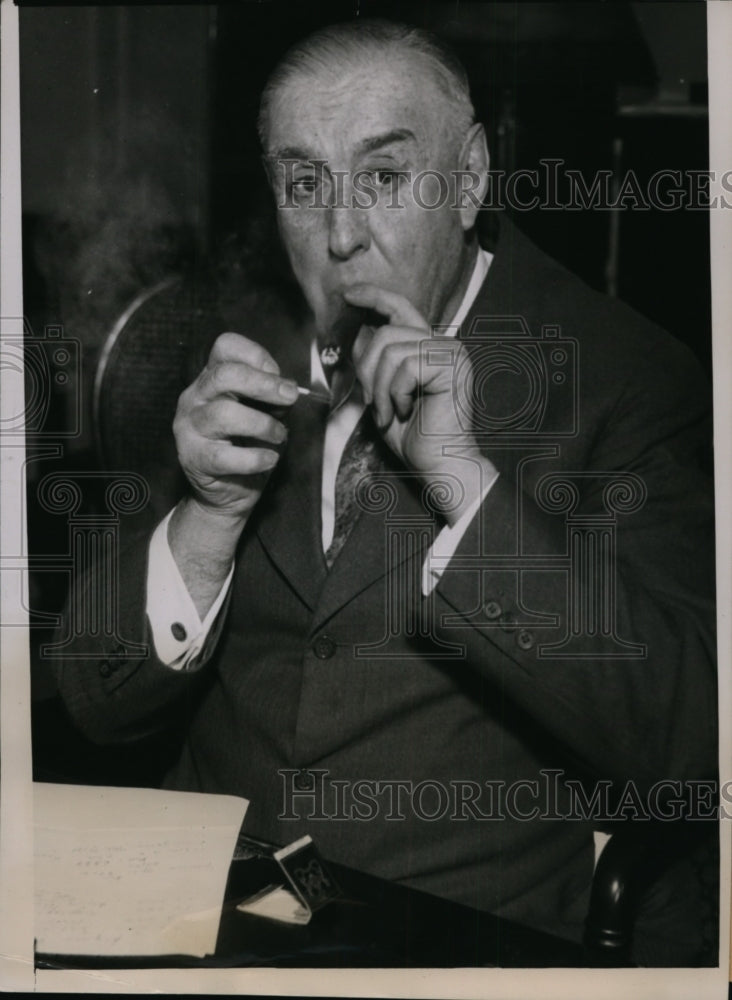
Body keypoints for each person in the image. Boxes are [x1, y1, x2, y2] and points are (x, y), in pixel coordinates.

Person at [54, 19, 716, 958]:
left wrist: (465, 484)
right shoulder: (236, 346)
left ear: (471, 178)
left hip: (446, 942)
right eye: (304, 184)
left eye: (384, 177)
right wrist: (208, 515)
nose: (341, 236)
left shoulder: (624, 376)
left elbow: (693, 742)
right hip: (202, 924)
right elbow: (93, 698)